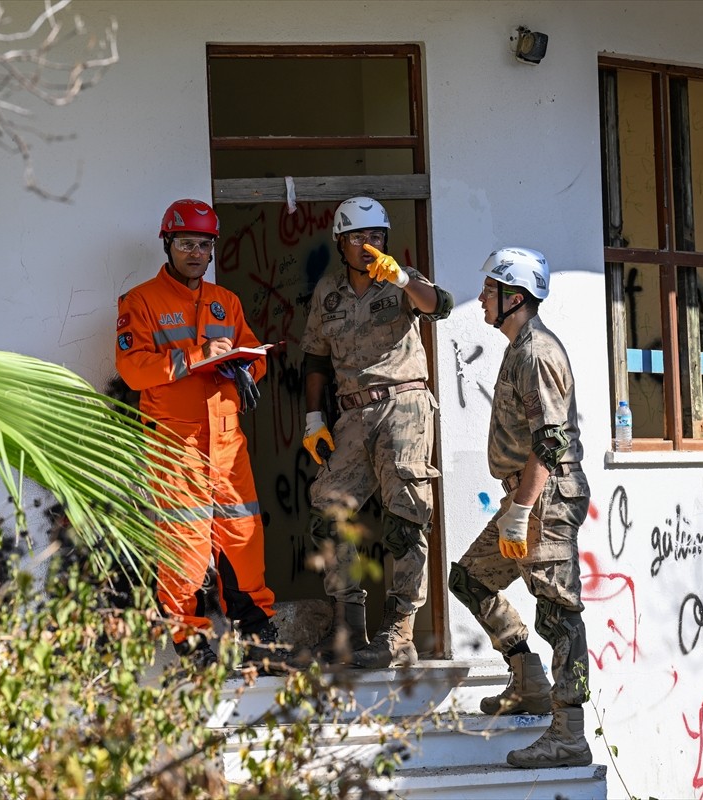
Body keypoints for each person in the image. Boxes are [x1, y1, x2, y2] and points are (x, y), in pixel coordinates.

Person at [116, 198, 285, 672]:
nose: (196, 252)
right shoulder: (141, 301)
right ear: (168, 244)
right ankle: (192, 644)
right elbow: (133, 369)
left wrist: (248, 364)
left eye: (204, 244)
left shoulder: (224, 301)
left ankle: (256, 634)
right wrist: (196, 356)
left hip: (227, 442)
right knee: (184, 543)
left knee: (244, 536)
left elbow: (255, 353)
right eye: (187, 243)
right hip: (176, 444)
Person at [447, 247, 592, 768]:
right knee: (470, 579)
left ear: (515, 298)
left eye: (490, 290)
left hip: (544, 497)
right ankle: (527, 677)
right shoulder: (518, 346)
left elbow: (550, 442)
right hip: (524, 495)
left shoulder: (536, 351)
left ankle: (569, 733)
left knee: (559, 613)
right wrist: (516, 505)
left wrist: (522, 509)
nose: (482, 298)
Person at [299, 197, 452, 668]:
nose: (369, 246)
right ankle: (349, 627)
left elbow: (439, 305)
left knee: (406, 516)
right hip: (352, 414)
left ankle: (400, 631)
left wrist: (403, 279)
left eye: (377, 236)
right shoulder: (328, 292)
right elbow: (315, 360)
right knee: (328, 507)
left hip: (403, 404)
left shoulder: (404, 279)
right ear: (341, 243)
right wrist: (314, 418)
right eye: (359, 238)